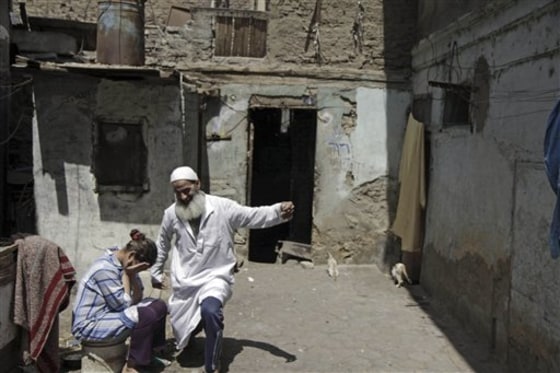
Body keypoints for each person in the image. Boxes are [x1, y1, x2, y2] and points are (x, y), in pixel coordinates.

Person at [150, 166, 295, 373]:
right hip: (186, 281)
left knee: (210, 311)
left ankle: (213, 364)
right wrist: (156, 272)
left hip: (216, 276)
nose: (182, 196)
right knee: (183, 327)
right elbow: (162, 243)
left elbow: (251, 216)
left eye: (186, 190)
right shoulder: (171, 214)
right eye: (177, 192)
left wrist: (277, 211)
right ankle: (190, 339)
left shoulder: (222, 207)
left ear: (197, 184)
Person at [72, 229, 168, 373]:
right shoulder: (104, 270)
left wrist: (131, 274)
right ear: (131, 256)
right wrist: (128, 274)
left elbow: (138, 296)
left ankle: (150, 353)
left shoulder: (119, 262)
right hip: (89, 324)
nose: (138, 272)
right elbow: (122, 306)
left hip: (108, 315)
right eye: (139, 268)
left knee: (159, 305)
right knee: (144, 315)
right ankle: (132, 365)